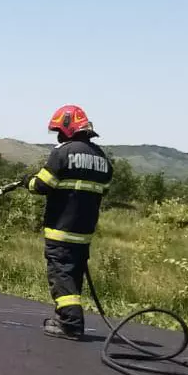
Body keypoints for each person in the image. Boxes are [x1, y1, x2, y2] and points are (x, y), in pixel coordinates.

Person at [23, 105, 113, 340]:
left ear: (68, 128)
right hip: (84, 232)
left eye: (59, 131)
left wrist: (27, 182)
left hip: (61, 230)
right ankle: (65, 318)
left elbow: (41, 185)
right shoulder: (102, 158)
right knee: (72, 276)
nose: (59, 137)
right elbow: (103, 189)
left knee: (61, 275)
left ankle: (70, 324)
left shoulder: (63, 153)